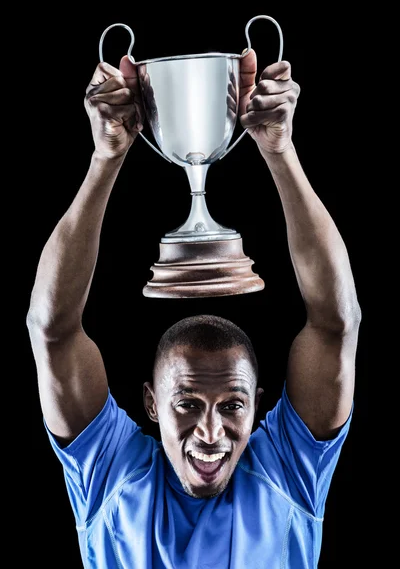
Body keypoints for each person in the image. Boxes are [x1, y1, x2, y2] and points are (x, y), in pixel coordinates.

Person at [27, 48, 361, 568]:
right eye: (185, 403)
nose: (210, 432)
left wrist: (279, 151)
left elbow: (337, 323)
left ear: (258, 405)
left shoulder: (289, 470)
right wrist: (106, 157)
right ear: (152, 403)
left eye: (232, 405)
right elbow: (50, 331)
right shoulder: (112, 473)